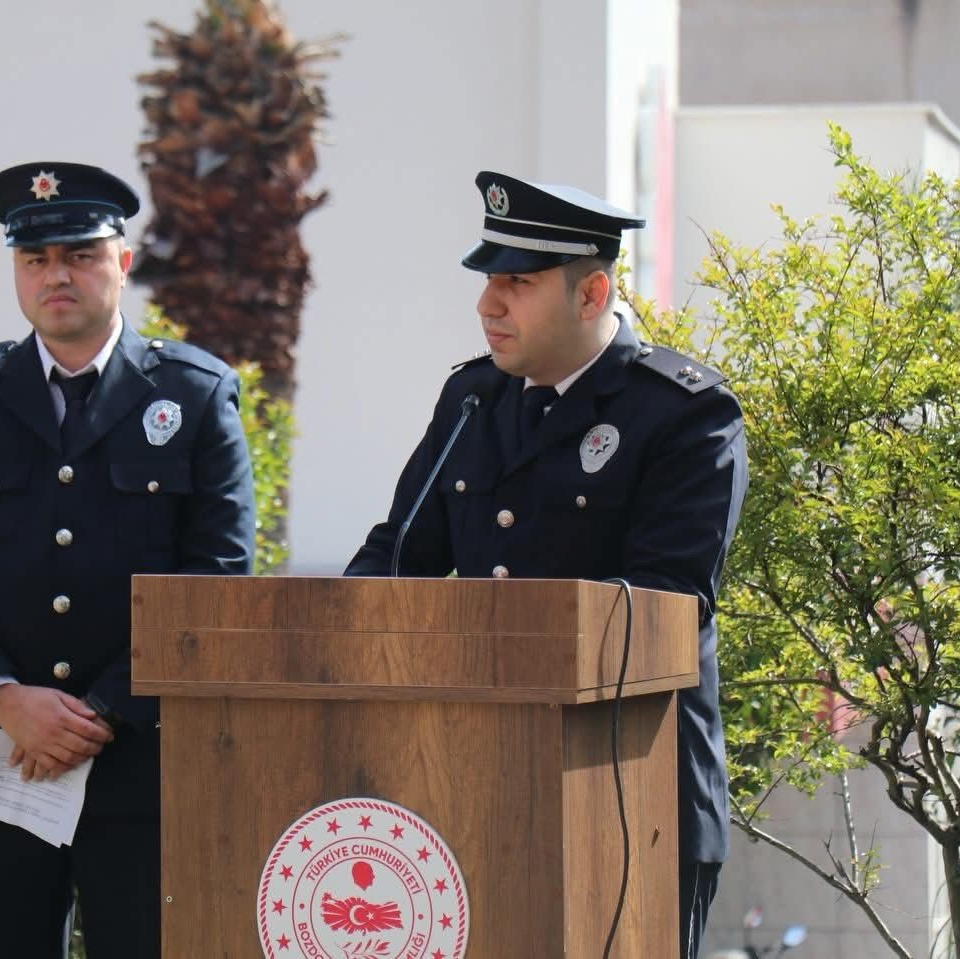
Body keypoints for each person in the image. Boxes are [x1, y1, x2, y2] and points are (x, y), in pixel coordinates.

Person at [345, 171, 747, 959]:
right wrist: (338, 633)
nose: (488, 304)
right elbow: (400, 553)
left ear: (592, 293)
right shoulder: (472, 399)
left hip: (631, 796)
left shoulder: (685, 414)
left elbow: (664, 606)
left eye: (517, 283)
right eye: (489, 280)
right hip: (471, 785)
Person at [0, 161, 256, 958]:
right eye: (35, 261)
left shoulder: (194, 396)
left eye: (80, 255)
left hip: (144, 758)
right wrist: (4, 696)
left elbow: (218, 574)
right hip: (0, 753)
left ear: (122, 264)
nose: (57, 275)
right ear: (17, 274)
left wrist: (101, 711)